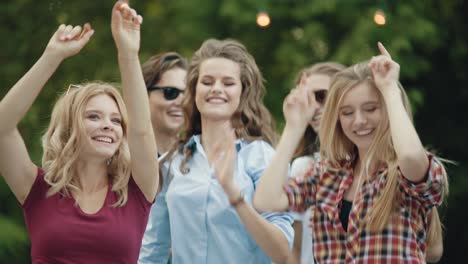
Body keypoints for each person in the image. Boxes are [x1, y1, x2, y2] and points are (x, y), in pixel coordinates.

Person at [254, 42, 448, 263]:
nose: (359, 121)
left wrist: (390, 89)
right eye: (347, 112)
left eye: (371, 108)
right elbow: (266, 200)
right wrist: (293, 128)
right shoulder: (327, 174)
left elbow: (411, 157)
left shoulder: (404, 174)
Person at [0, 2, 159, 263]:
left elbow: (141, 131)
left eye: (117, 120)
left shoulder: (137, 189)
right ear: (70, 127)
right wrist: (52, 57)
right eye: (93, 116)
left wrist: (128, 54)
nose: (108, 125)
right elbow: (2, 129)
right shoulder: (38, 189)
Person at [148, 39, 294, 263]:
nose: (216, 89)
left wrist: (237, 199)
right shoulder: (170, 163)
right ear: (194, 90)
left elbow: (283, 252)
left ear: (242, 92)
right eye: (207, 81)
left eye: (228, 83)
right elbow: (153, 250)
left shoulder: (261, 157)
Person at [286, 62, 345, 264]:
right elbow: (296, 247)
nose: (314, 107)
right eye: (307, 99)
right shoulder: (303, 166)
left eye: (321, 96)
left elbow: (431, 248)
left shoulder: (374, 164)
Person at [139, 52, 188, 262]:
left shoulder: (204, 162)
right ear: (143, 94)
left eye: (187, 95)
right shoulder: (115, 159)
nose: (180, 102)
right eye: (170, 92)